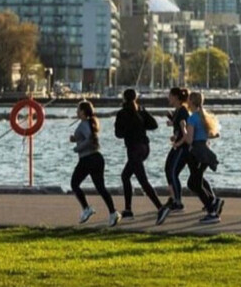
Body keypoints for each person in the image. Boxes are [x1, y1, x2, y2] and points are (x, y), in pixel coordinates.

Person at [114, 89, 167, 225]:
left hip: (134, 149)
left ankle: (160, 208)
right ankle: (128, 210)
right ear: (136, 98)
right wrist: (142, 121)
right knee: (125, 176)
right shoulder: (141, 111)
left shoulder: (122, 113)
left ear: (124, 98)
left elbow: (118, 134)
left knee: (143, 180)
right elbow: (154, 125)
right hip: (144, 148)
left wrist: (127, 130)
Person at [70, 100, 120, 227]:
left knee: (74, 183)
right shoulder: (90, 122)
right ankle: (113, 213)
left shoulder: (83, 124)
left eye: (78, 109)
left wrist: (77, 148)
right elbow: (89, 137)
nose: (76, 111)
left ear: (82, 111)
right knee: (101, 188)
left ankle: (86, 208)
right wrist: (76, 139)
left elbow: (90, 138)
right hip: (97, 158)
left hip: (87, 159)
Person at [183, 92, 223, 224]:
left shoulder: (192, 119)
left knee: (195, 183)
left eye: (188, 100)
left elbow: (189, 140)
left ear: (191, 102)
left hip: (197, 153)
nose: (187, 102)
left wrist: (183, 128)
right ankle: (213, 202)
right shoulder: (204, 116)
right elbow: (212, 134)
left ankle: (212, 212)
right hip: (205, 152)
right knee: (194, 182)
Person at [161, 87, 190, 216]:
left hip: (182, 147)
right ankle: (173, 197)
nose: (169, 98)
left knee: (173, 172)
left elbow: (186, 131)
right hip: (177, 145)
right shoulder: (178, 111)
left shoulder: (183, 111)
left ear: (176, 97)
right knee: (168, 169)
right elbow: (179, 127)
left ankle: (178, 202)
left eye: (170, 95)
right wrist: (175, 135)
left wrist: (178, 142)